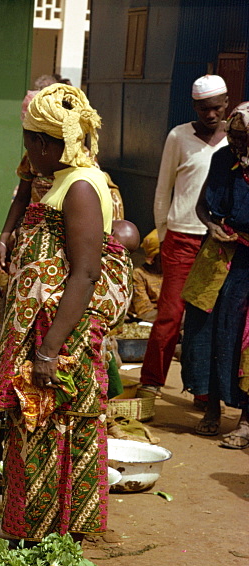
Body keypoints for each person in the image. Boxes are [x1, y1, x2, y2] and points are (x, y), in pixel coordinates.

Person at [0, 84, 131, 541]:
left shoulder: (81, 188)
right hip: (41, 323)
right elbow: (24, 190)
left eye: (29, 142)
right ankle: (31, 528)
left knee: (56, 424)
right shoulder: (52, 169)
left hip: (65, 331)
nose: (25, 153)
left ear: (47, 143)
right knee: (33, 423)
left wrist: (48, 350)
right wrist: (7, 235)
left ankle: (54, 534)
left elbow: (84, 274)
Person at [139, 74, 228, 395]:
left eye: (216, 108)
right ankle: (151, 381)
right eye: (204, 109)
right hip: (180, 237)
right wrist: (163, 236)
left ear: (226, 104)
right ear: (195, 107)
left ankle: (203, 389)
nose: (211, 115)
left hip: (220, 243)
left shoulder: (236, 140)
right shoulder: (178, 136)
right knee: (170, 314)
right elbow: (163, 191)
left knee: (207, 319)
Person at [0, 84, 125, 274]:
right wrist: (5, 239)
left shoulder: (80, 186)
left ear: (41, 143)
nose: (28, 156)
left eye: (29, 147)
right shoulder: (65, 178)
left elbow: (84, 274)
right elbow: (22, 197)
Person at [183, 102, 249, 449]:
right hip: (220, 257)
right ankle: (211, 409)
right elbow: (201, 206)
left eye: (245, 140)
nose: (239, 146)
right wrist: (211, 226)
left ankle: (245, 420)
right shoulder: (223, 160)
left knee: (244, 338)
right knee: (207, 328)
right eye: (235, 138)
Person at [128, 230, 162, 322]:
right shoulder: (139, 274)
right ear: (154, 258)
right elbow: (144, 311)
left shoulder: (171, 274)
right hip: (147, 321)